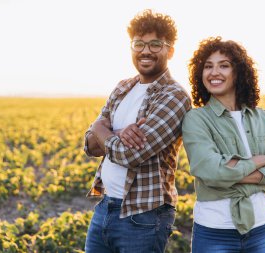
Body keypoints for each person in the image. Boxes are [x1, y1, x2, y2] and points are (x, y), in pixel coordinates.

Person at [83, 9, 191, 253]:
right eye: (139, 43)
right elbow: (90, 146)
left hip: (144, 216)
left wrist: (102, 128)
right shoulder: (123, 87)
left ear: (170, 50)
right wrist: (117, 134)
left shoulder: (174, 96)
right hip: (105, 207)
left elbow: (131, 155)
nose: (145, 50)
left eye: (155, 44)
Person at [182, 37, 265, 253]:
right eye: (208, 66)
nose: (214, 72)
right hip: (213, 233)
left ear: (239, 72)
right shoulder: (196, 119)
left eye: (224, 65)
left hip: (261, 231)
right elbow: (211, 171)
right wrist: (260, 162)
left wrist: (236, 172)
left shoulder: (264, 119)